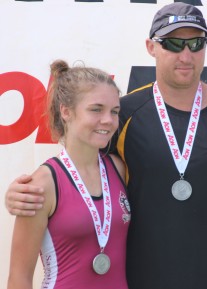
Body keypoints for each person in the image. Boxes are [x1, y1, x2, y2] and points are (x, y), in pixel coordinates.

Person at [5, 3, 207, 289]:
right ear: (151, 47)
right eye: (174, 43)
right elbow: (78, 178)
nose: (186, 54)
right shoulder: (122, 114)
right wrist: (23, 194)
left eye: (196, 43)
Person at [6, 60, 130, 289]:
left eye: (114, 111)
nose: (108, 120)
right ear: (66, 111)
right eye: (96, 109)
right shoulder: (41, 185)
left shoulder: (118, 168)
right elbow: (18, 279)